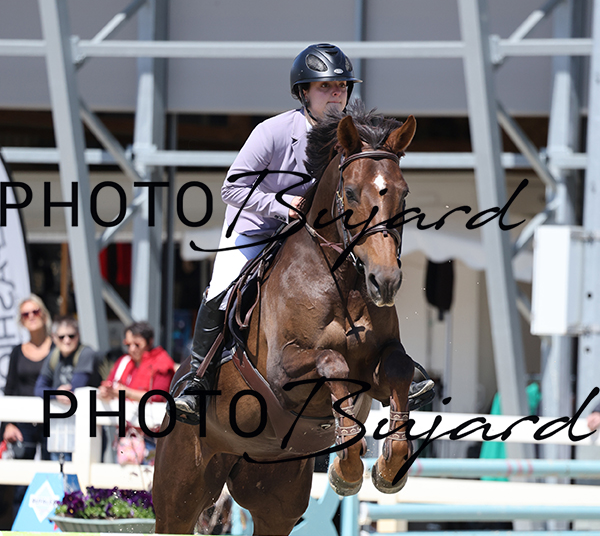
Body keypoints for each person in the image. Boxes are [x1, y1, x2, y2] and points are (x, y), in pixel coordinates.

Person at [174, 43, 434, 425]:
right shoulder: (273, 131)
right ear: (303, 93)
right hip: (258, 229)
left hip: (316, 237)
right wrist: (282, 207)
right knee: (223, 287)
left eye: (341, 87)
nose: (336, 94)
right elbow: (232, 188)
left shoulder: (353, 138)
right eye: (325, 87)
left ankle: (396, 363)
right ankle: (197, 381)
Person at [99, 321, 175, 463]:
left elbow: (157, 397)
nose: (132, 349)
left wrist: (127, 392)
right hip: (126, 436)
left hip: (151, 436)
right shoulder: (123, 362)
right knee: (124, 475)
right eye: (128, 345)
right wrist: (106, 392)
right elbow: (109, 384)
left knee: (149, 476)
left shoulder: (162, 362)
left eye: (137, 344)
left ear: (149, 342)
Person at [34, 316, 101, 461]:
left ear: (78, 335)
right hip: (59, 426)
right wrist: (56, 394)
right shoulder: (53, 355)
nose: (67, 340)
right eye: (61, 336)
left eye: (71, 336)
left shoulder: (86, 353)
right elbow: (38, 388)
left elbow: (75, 389)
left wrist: (55, 393)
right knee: (57, 468)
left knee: (83, 469)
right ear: (54, 337)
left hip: (85, 426)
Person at [2, 294, 53, 458]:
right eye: (25, 314)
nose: (31, 316)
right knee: (21, 470)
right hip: (23, 420)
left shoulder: (57, 349)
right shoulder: (17, 352)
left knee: (52, 470)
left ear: (43, 315)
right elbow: (10, 389)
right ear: (22, 321)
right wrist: (8, 424)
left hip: (52, 419)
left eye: (35, 312)